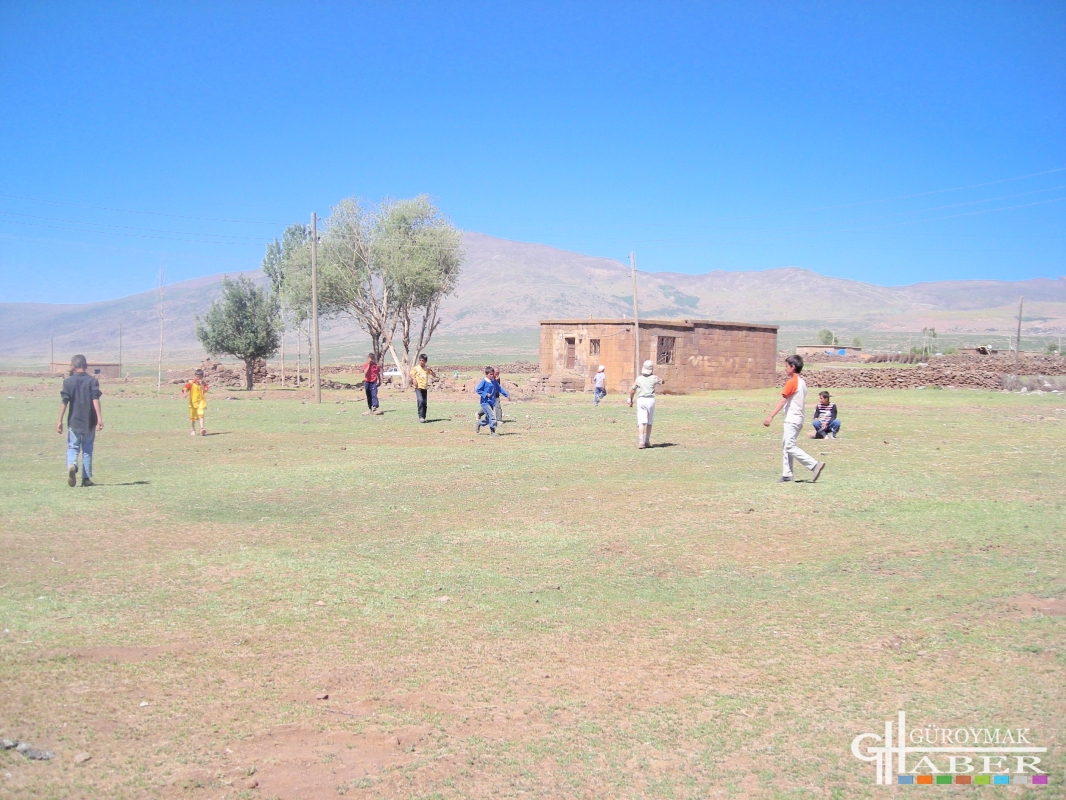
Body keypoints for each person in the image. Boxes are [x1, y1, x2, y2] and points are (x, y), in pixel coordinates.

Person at [764, 355, 825, 483]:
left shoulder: (792, 382)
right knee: (786, 444)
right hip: (798, 418)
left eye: (786, 366)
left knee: (790, 446)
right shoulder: (802, 382)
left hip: (792, 419)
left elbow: (782, 401)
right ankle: (787, 474)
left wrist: (770, 416)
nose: (785, 369)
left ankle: (814, 465)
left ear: (793, 367)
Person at [56, 354, 103, 488]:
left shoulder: (68, 382)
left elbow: (64, 401)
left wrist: (59, 420)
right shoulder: (92, 381)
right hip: (89, 421)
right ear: (86, 366)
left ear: (72, 367)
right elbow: (95, 399)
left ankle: (72, 464)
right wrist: (99, 418)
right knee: (87, 449)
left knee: (73, 447)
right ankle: (86, 479)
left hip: (74, 421)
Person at [628, 360, 663, 449]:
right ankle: (647, 440)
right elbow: (662, 382)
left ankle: (641, 442)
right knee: (649, 421)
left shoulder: (638, 379)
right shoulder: (654, 378)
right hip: (650, 400)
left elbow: (632, 390)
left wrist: (631, 400)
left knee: (641, 422)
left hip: (641, 400)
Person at [182, 369, 209, 436]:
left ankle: (202, 429)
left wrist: (202, 384)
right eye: (197, 377)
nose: (198, 378)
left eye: (200, 377)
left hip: (201, 402)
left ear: (202, 377)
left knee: (201, 414)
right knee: (193, 417)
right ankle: (192, 429)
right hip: (193, 402)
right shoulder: (191, 383)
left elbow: (204, 391)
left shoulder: (205, 384)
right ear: (195, 376)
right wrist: (185, 394)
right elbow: (185, 388)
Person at [411, 354, 436, 423]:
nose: (421, 362)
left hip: (424, 387)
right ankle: (420, 417)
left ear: (425, 361)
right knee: (420, 400)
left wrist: (431, 370)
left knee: (424, 403)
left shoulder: (426, 369)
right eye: (420, 360)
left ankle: (423, 417)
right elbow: (410, 374)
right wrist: (414, 379)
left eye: (423, 360)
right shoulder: (416, 368)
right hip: (418, 387)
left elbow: (434, 375)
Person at [475, 366, 499, 436]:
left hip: (491, 402)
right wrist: (485, 394)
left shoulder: (493, 382)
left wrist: (506, 394)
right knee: (492, 416)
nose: (492, 375)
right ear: (486, 374)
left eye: (492, 374)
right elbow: (478, 390)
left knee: (488, 419)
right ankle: (493, 432)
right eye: (490, 374)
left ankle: (479, 423)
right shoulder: (483, 381)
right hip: (484, 402)